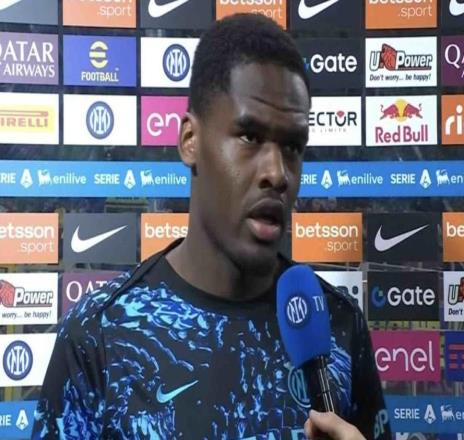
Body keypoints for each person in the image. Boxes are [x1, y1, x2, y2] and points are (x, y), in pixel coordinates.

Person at [32, 14, 391, 440]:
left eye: (293, 147)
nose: (277, 173)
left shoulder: (338, 325)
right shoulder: (99, 334)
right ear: (190, 141)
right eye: (250, 137)